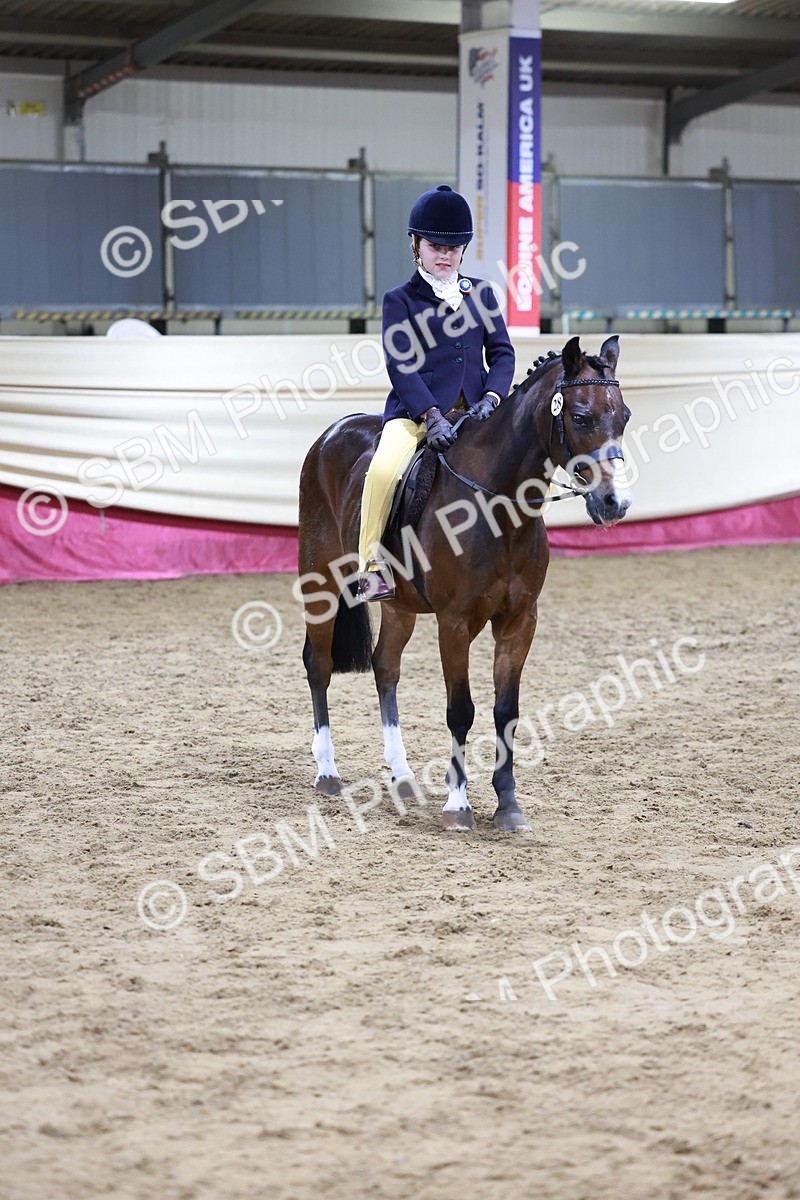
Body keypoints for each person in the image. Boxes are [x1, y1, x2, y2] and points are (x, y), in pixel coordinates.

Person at [356, 184, 516, 601]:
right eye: (435, 247)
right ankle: (370, 567)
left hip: (478, 413)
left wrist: (493, 397)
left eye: (453, 248)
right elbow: (400, 364)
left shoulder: (481, 294)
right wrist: (431, 414)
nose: (444, 256)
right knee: (383, 470)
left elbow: (502, 353)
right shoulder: (400, 300)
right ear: (417, 245)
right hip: (417, 414)